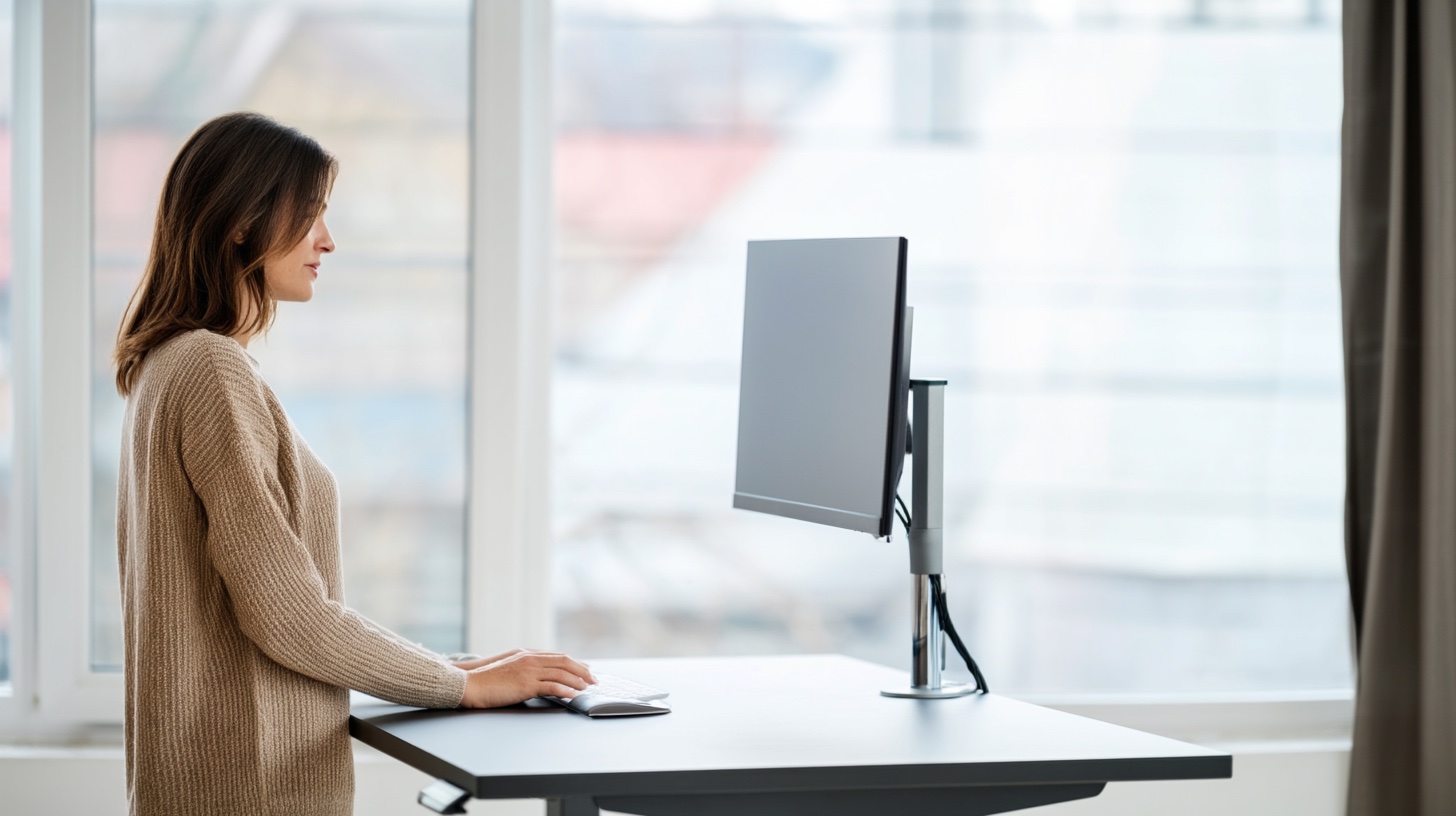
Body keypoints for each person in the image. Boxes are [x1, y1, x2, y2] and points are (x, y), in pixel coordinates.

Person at [112, 111, 595, 816]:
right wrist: (465, 687)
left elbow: (279, 611)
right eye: (310, 216)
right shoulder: (210, 369)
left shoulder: (169, 366)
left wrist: (457, 669)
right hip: (252, 791)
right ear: (243, 222)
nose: (327, 241)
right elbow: (290, 619)